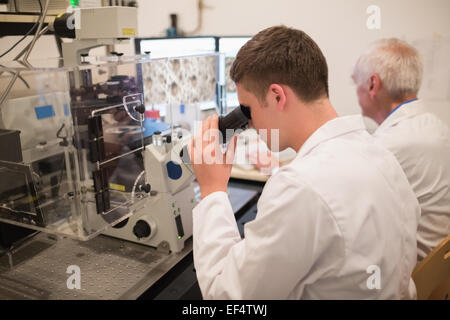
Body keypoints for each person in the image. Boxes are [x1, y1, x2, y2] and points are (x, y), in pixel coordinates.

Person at [189, 26, 419, 299]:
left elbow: (224, 295)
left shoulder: (299, 187)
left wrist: (213, 191)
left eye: (247, 111)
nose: (248, 124)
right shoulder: (379, 153)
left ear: (277, 96)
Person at [352, 38, 450, 262]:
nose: (356, 90)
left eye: (355, 81)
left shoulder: (389, 145)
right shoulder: (437, 127)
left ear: (372, 85)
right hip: (436, 272)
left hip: (407, 275)